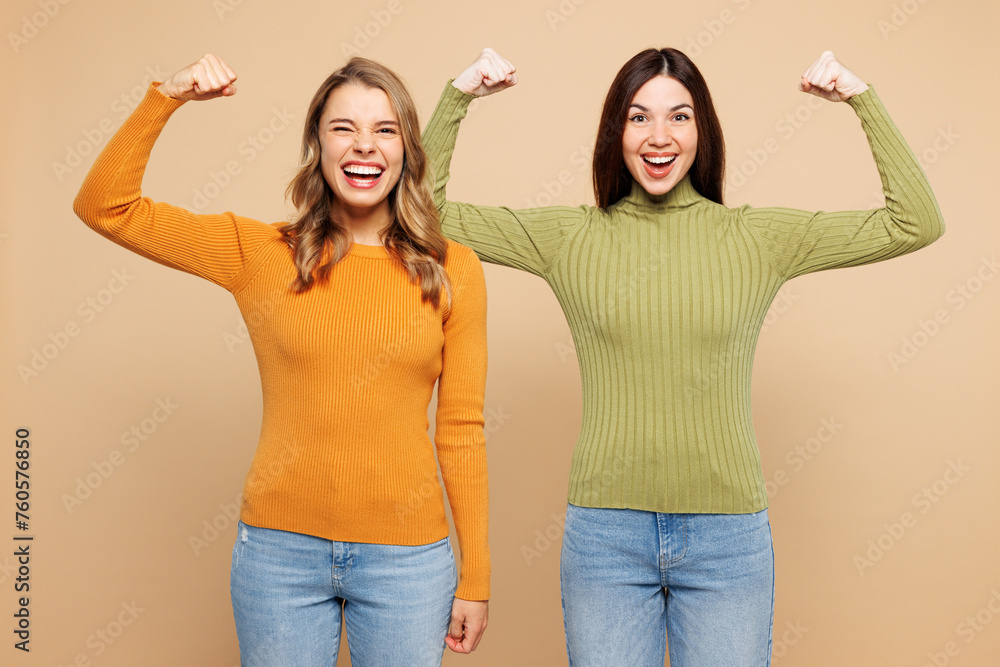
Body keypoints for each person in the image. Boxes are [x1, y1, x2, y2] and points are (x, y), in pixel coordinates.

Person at [422, 47, 944, 666]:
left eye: (680, 116)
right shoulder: (571, 238)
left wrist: (860, 97)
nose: (659, 137)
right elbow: (426, 211)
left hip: (728, 540)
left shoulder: (757, 238)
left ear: (704, 131)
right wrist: (458, 96)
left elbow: (916, 222)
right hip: (605, 538)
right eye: (638, 118)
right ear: (615, 133)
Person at [73, 53, 490, 666]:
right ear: (316, 146)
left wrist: (475, 579)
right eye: (342, 128)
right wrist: (168, 95)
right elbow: (104, 205)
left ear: (407, 150)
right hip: (278, 555)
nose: (363, 147)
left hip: (408, 560)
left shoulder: (455, 269)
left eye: (385, 130)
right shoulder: (265, 254)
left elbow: (462, 432)